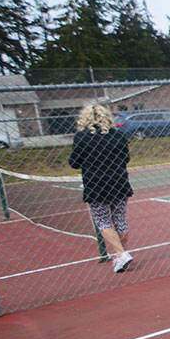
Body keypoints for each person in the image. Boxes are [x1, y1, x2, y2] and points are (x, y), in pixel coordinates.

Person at [68, 102, 134, 272]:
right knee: (120, 219)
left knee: (102, 220)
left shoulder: (82, 137)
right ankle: (121, 255)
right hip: (119, 182)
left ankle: (121, 254)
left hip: (96, 185)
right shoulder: (117, 136)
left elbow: (74, 162)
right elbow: (126, 158)